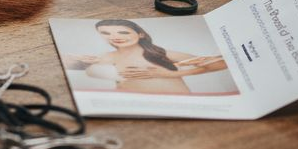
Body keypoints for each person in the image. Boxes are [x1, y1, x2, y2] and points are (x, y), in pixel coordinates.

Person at [62, 19, 230, 95]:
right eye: (105, 33)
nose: (115, 37)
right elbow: (63, 63)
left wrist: (173, 74)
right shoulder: (105, 58)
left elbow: (221, 63)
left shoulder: (160, 53)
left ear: (140, 34)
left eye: (123, 31)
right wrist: (78, 59)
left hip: (182, 106)